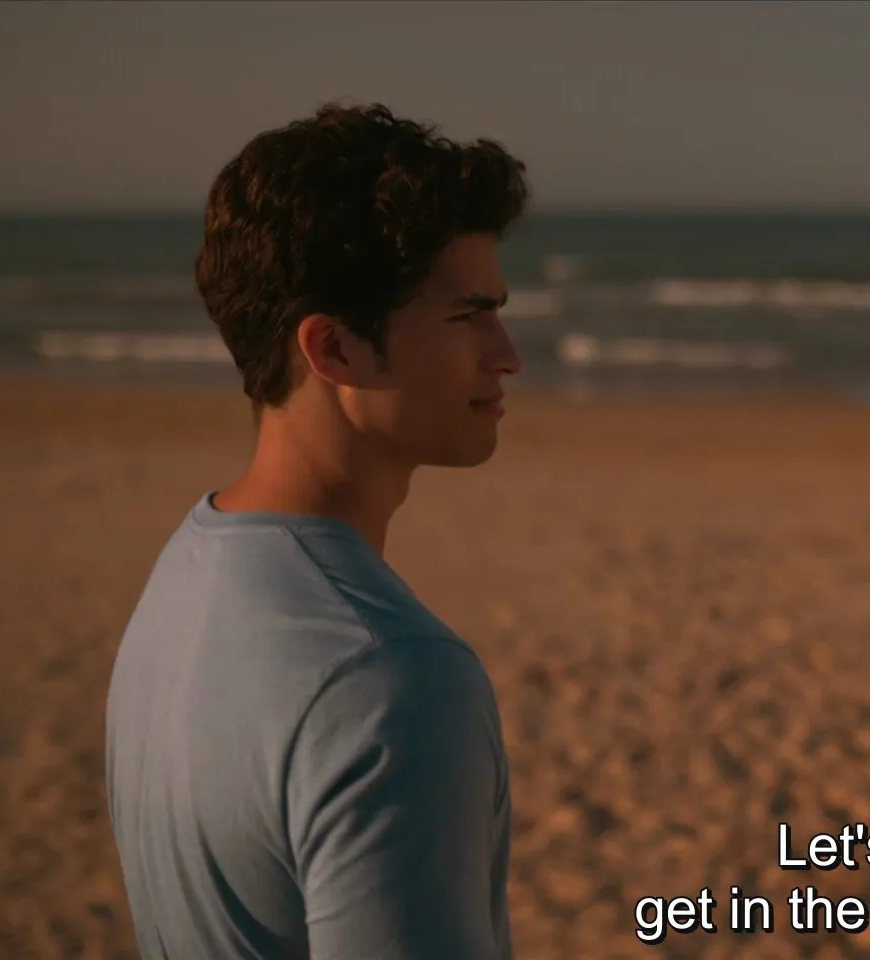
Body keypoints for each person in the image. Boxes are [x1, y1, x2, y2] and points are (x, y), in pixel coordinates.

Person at [105, 103, 527, 959]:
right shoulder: (391, 682)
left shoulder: (187, 571)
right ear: (333, 349)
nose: (507, 352)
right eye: (468, 315)